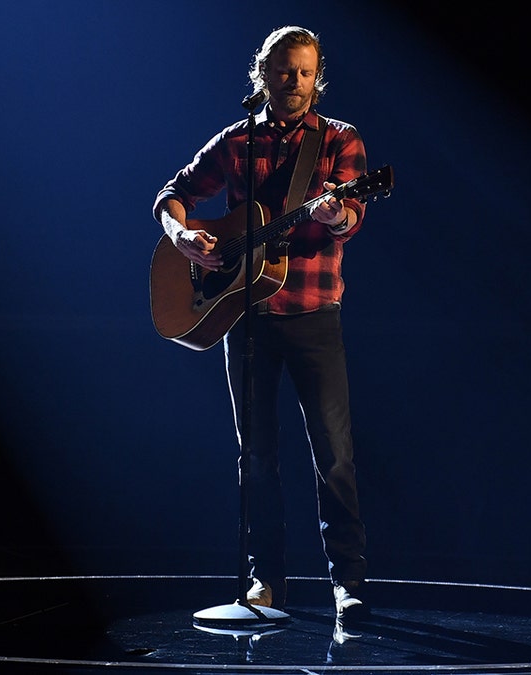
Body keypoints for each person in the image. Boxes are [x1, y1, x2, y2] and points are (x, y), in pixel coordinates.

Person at [152, 26, 370, 620]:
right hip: (245, 315)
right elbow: (173, 193)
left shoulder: (339, 141)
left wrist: (336, 212)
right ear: (263, 74)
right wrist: (185, 236)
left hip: (312, 314)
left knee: (334, 454)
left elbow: (352, 214)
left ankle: (347, 583)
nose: (294, 82)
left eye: (304, 72)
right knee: (257, 456)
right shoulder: (237, 140)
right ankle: (262, 582)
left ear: (316, 76)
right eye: (284, 71)